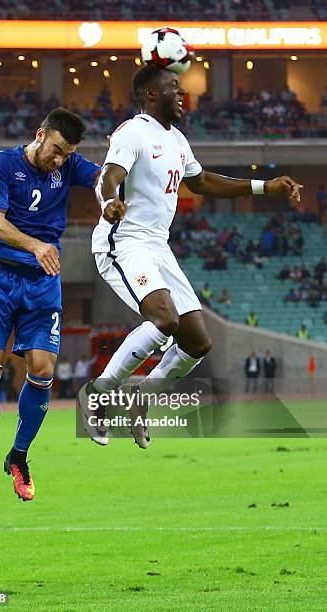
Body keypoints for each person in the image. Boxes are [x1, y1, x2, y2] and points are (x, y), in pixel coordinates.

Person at [78, 64, 303, 448]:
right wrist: (109, 203)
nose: (182, 95)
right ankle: (98, 399)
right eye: (173, 88)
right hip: (124, 241)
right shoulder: (134, 132)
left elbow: (202, 182)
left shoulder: (178, 140)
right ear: (151, 94)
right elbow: (108, 176)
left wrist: (267, 186)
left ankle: (141, 401)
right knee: (163, 319)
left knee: (198, 342)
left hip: (157, 246)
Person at [0, 107, 100, 502]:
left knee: (43, 372)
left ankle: (19, 457)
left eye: (67, 154)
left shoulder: (69, 163)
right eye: (57, 150)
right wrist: (35, 245)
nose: (60, 161)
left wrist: (112, 192)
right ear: (40, 134)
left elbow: (102, 179)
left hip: (42, 283)